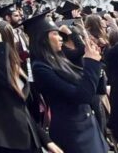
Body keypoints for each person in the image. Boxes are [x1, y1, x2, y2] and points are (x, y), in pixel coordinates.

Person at [0, 20, 61, 153]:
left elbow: (23, 108)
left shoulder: (14, 63)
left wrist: (46, 140)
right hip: (4, 141)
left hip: (28, 138)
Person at [25, 11, 107, 153]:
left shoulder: (61, 58)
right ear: (43, 38)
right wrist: (91, 64)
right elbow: (81, 96)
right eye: (55, 34)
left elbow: (98, 90)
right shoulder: (40, 67)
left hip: (89, 125)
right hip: (73, 132)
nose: (60, 38)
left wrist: (97, 67)